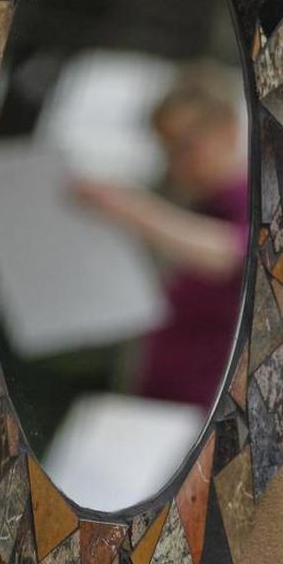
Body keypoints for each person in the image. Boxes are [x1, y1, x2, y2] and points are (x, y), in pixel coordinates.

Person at [74, 67, 248, 409]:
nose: (177, 166)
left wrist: (130, 208)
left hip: (199, 415)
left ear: (227, 128)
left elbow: (234, 253)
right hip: (163, 409)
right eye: (169, 152)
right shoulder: (202, 209)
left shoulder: (249, 200)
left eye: (185, 145)